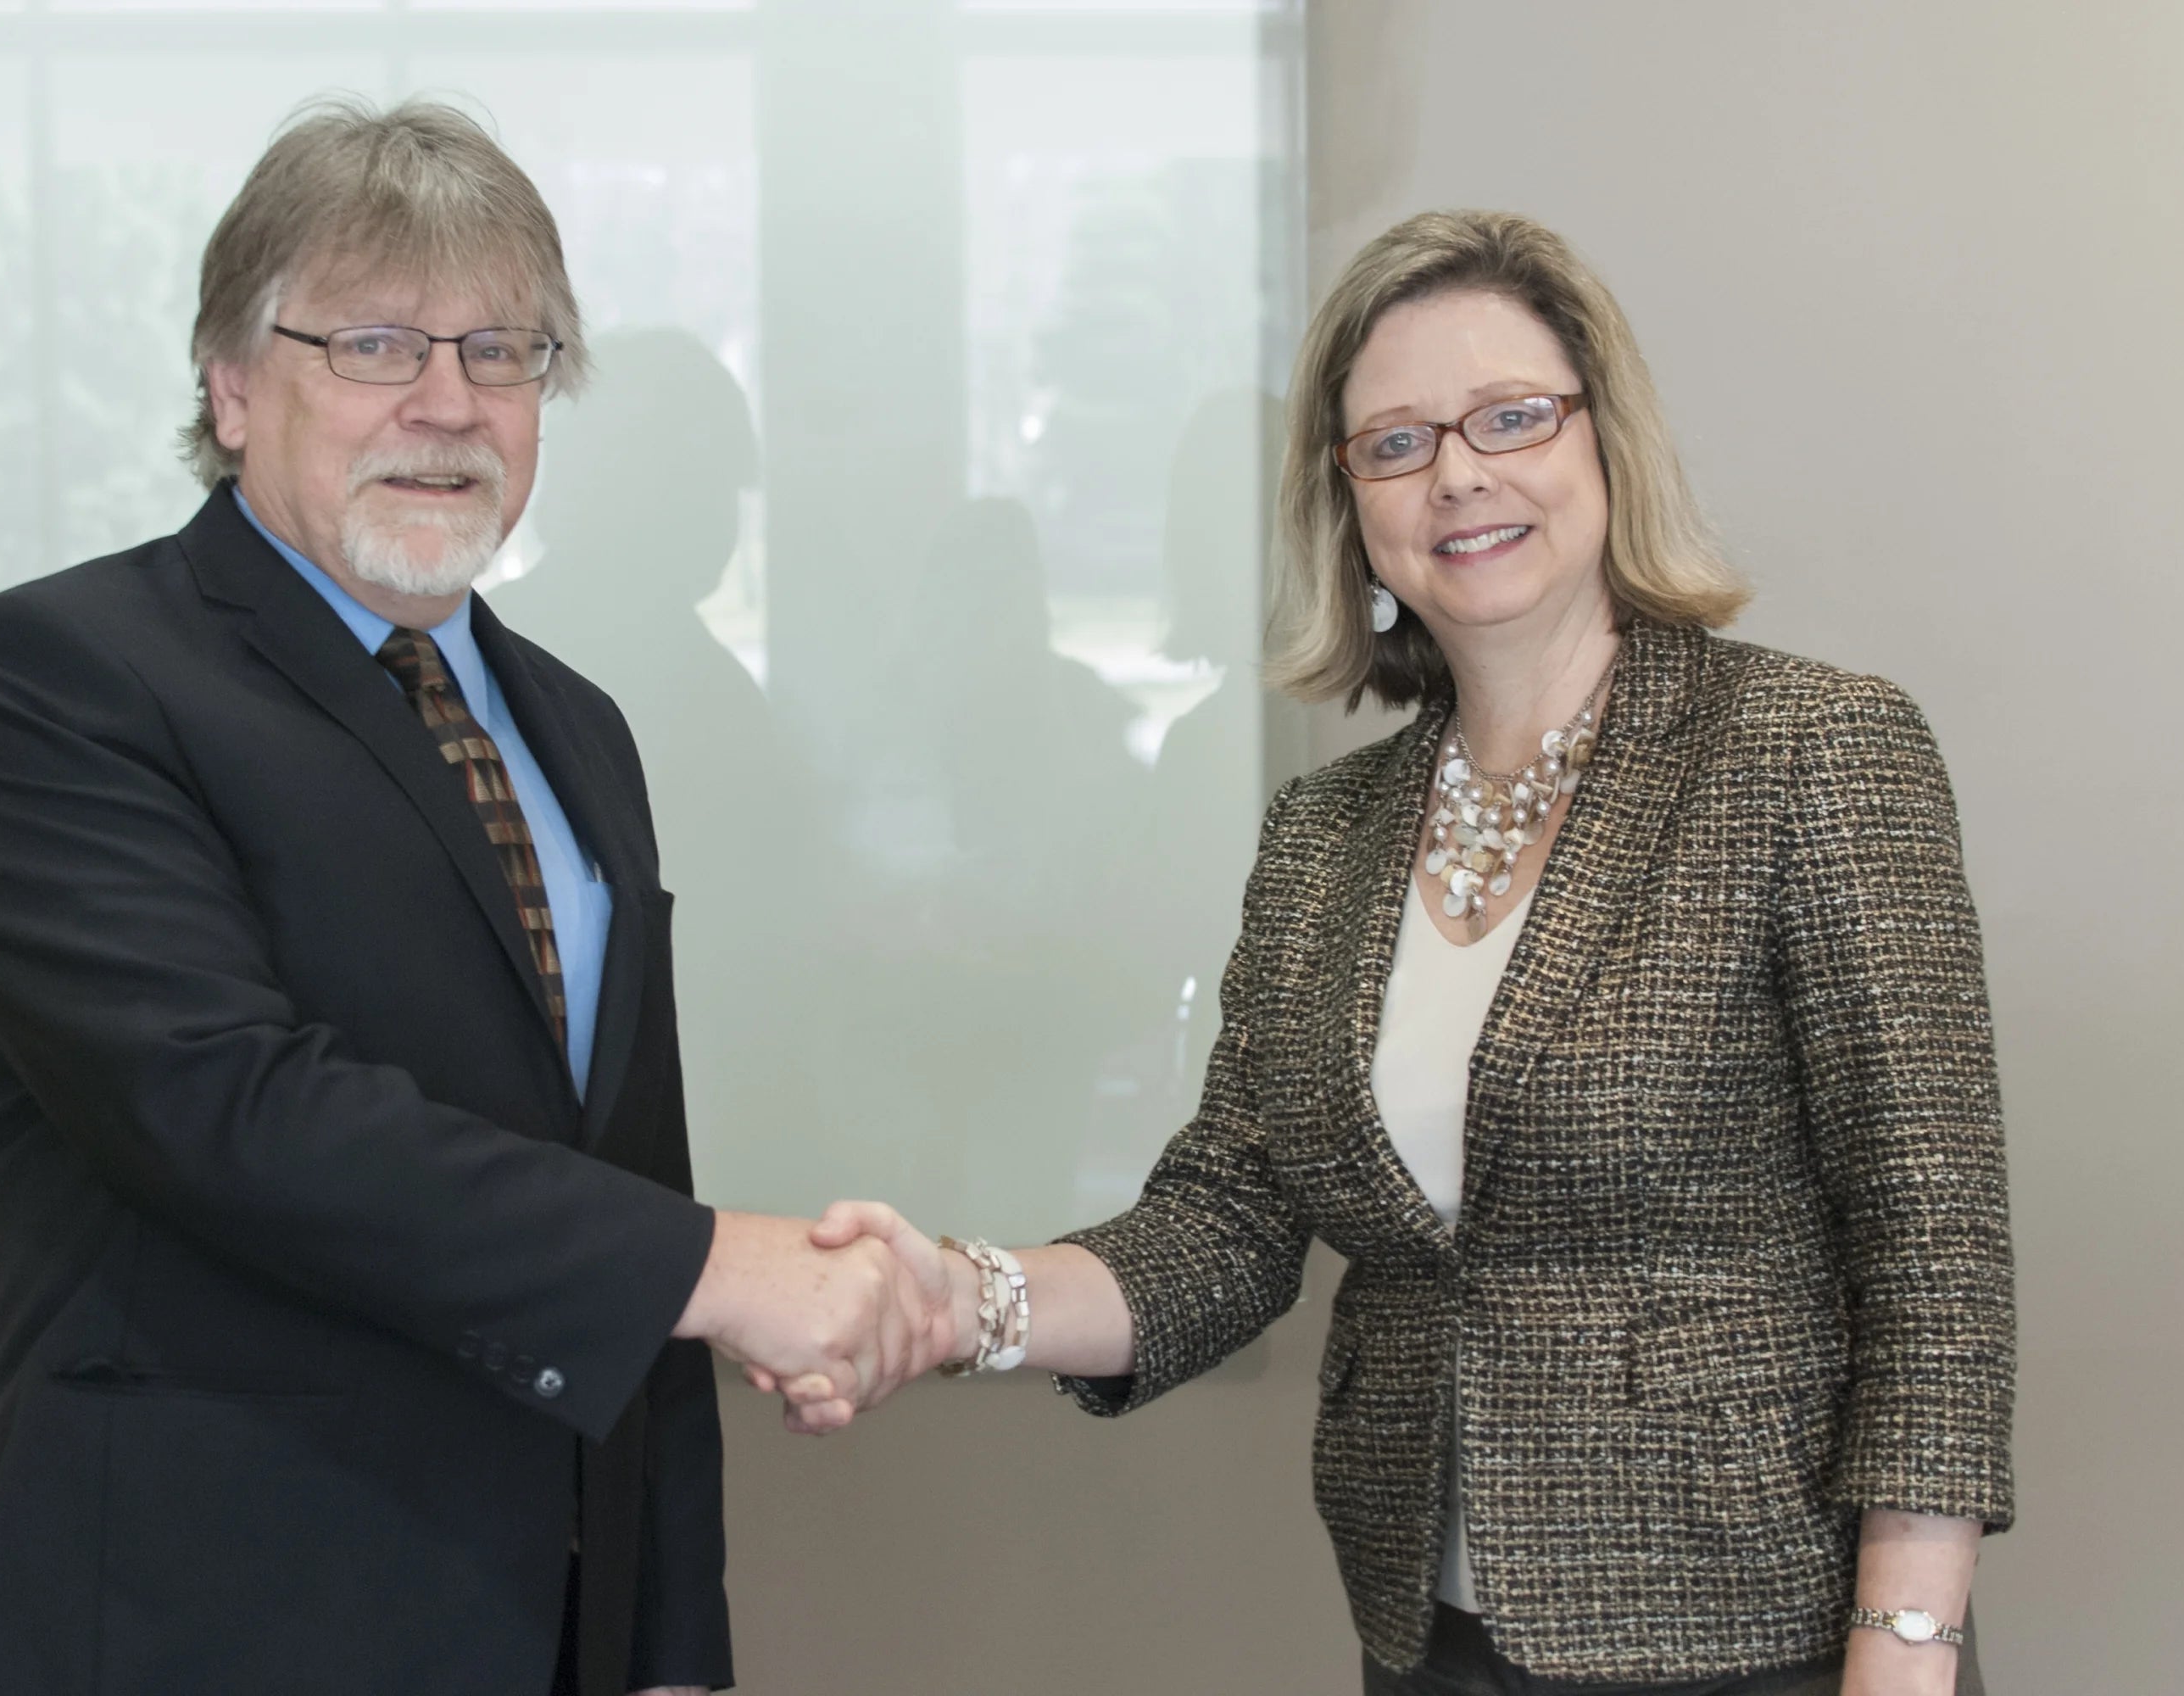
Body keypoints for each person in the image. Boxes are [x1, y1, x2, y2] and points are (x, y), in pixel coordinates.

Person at [772, 209, 2014, 1695]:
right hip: (1430, 1636)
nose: (1460, 475)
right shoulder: (1324, 834)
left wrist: (1908, 1643)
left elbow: (1934, 1248)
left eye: (1510, 417)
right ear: (1349, 502)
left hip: (1762, 1634)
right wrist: (959, 1296)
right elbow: (1223, 1226)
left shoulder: (1808, 750)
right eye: (1397, 443)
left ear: (1602, 439)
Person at [0, 99, 947, 1696]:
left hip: (548, 1629)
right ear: (234, 384)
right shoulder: (56, 676)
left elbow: (628, 1162)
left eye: (503, 352)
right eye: (379, 345)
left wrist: (673, 1643)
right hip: (197, 1625)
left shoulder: (578, 728)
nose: (448, 406)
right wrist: (730, 1270)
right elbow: (229, 1110)